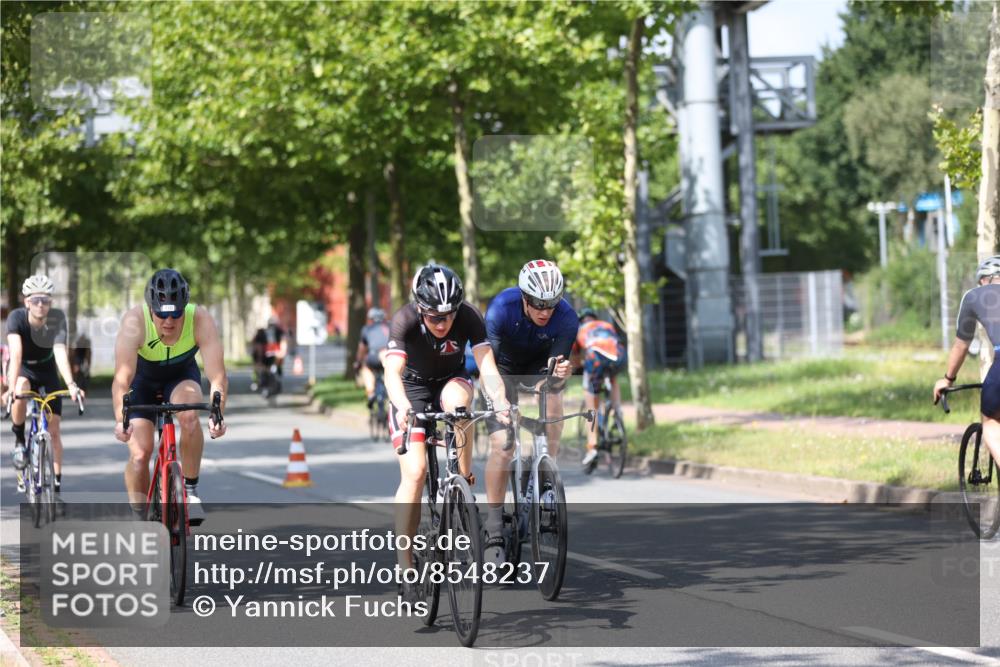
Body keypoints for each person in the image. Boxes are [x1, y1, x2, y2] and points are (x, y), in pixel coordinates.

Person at [384, 263, 509, 599]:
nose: (443, 324)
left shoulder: (469, 316)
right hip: (410, 389)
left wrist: (500, 400)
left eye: (449, 316)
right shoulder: (405, 320)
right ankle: (406, 565)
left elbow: (487, 366)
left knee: (460, 404)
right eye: (434, 317)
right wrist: (402, 406)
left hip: (449, 382)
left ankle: (462, 484)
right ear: (420, 309)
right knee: (416, 471)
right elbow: (391, 372)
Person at [482, 259, 578, 564]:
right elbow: (488, 367)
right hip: (503, 369)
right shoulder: (501, 309)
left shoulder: (567, 318)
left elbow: (556, 370)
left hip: (539, 367)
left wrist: (561, 373)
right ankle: (495, 525)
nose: (545, 311)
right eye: (538, 304)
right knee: (503, 445)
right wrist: (501, 402)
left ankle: (546, 469)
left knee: (552, 396)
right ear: (524, 297)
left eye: (551, 304)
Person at [112, 269, 227, 523]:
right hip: (141, 381)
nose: (169, 321)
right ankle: (140, 515)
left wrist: (218, 414)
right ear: (150, 308)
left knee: (189, 415)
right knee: (141, 453)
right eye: (162, 313)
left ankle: (190, 490)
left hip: (180, 376)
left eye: (176, 313)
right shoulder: (134, 322)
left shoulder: (200, 319)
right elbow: (122, 379)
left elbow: (217, 375)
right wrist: (121, 420)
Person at [2, 275, 84, 497]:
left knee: (54, 430)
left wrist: (71, 384)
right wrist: (9, 388)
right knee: (20, 388)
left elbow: (59, 351)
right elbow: (16, 354)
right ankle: (19, 439)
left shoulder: (57, 318)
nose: (41, 305)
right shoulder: (16, 318)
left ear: (51, 302)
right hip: (23, 368)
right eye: (36, 300)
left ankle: (55, 484)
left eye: (45, 300)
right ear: (27, 301)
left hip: (47, 370)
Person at [933, 255, 1000, 469]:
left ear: (986, 279)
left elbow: (961, 345)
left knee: (990, 422)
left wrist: (948, 379)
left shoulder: (974, 296)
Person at [571, 308, 627, 468]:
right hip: (619, 355)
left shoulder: (579, 329)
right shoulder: (606, 325)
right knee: (613, 377)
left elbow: (575, 358)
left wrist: (577, 368)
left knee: (591, 404)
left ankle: (592, 446)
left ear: (582, 320)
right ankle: (617, 412)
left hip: (595, 357)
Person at [355, 308, 390, 407]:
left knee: (365, 366)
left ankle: (370, 393)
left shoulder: (367, 329)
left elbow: (362, 349)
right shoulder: (390, 326)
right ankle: (391, 394)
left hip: (375, 356)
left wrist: (358, 362)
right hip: (390, 356)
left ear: (370, 319)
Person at [251, 316, 287, 393]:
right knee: (260, 369)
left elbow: (283, 343)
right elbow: (257, 346)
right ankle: (258, 381)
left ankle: (266, 382)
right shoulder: (262, 333)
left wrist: (281, 353)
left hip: (274, 356)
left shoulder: (279, 332)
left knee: (274, 369)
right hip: (266, 357)